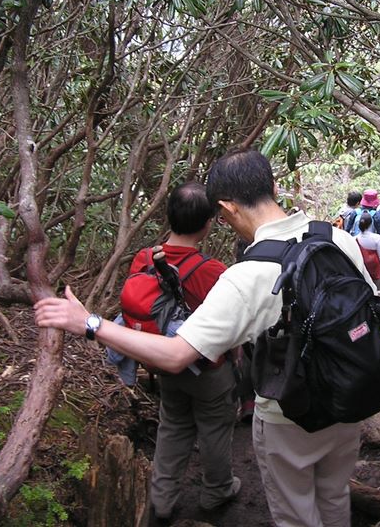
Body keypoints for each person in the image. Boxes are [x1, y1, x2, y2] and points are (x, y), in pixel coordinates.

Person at [34, 150, 376, 527]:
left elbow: (176, 354)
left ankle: (165, 500)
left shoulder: (246, 276)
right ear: (274, 187)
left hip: (288, 415)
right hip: (349, 392)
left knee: (297, 513)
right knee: (334, 494)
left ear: (226, 208)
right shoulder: (337, 239)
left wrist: (90, 323)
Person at [129, 182, 240, 522]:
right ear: (208, 223)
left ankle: (161, 499)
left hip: (163, 362)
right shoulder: (212, 271)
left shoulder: (145, 258)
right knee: (214, 427)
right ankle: (217, 490)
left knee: (173, 424)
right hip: (208, 368)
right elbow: (230, 327)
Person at [355, 212, 380, 290]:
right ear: (371, 224)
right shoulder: (376, 238)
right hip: (375, 270)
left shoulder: (354, 239)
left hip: (362, 270)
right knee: (377, 291)